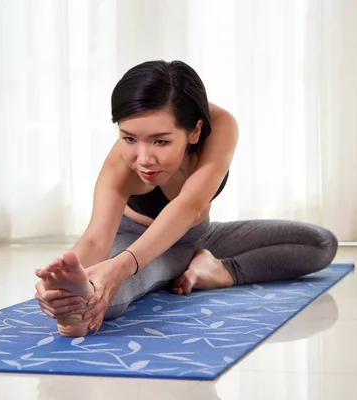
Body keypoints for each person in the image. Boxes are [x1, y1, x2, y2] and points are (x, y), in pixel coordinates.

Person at [34, 60, 338, 337]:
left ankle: (218, 271)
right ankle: (75, 310)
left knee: (320, 244)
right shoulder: (120, 164)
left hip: (198, 236)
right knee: (105, 294)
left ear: (194, 132)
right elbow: (95, 240)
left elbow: (189, 208)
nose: (143, 159)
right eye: (128, 138)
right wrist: (62, 280)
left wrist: (122, 267)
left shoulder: (220, 126)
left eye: (161, 141)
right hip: (138, 244)